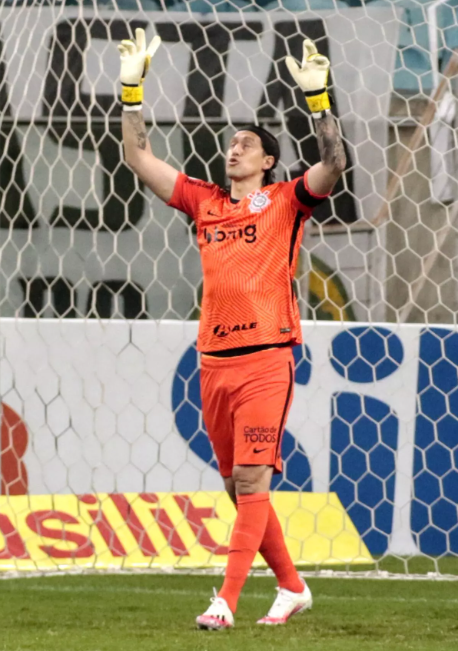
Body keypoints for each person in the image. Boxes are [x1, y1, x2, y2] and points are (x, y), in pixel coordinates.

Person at [117, 30, 346, 629]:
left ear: (268, 160)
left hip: (268, 355)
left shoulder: (286, 200)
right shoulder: (205, 201)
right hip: (213, 361)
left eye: (246, 144)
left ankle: (226, 600)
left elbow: (334, 165)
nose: (234, 149)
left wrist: (319, 101)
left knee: (250, 478)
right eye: (231, 143)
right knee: (238, 489)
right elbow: (137, 157)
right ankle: (293, 587)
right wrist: (132, 90)